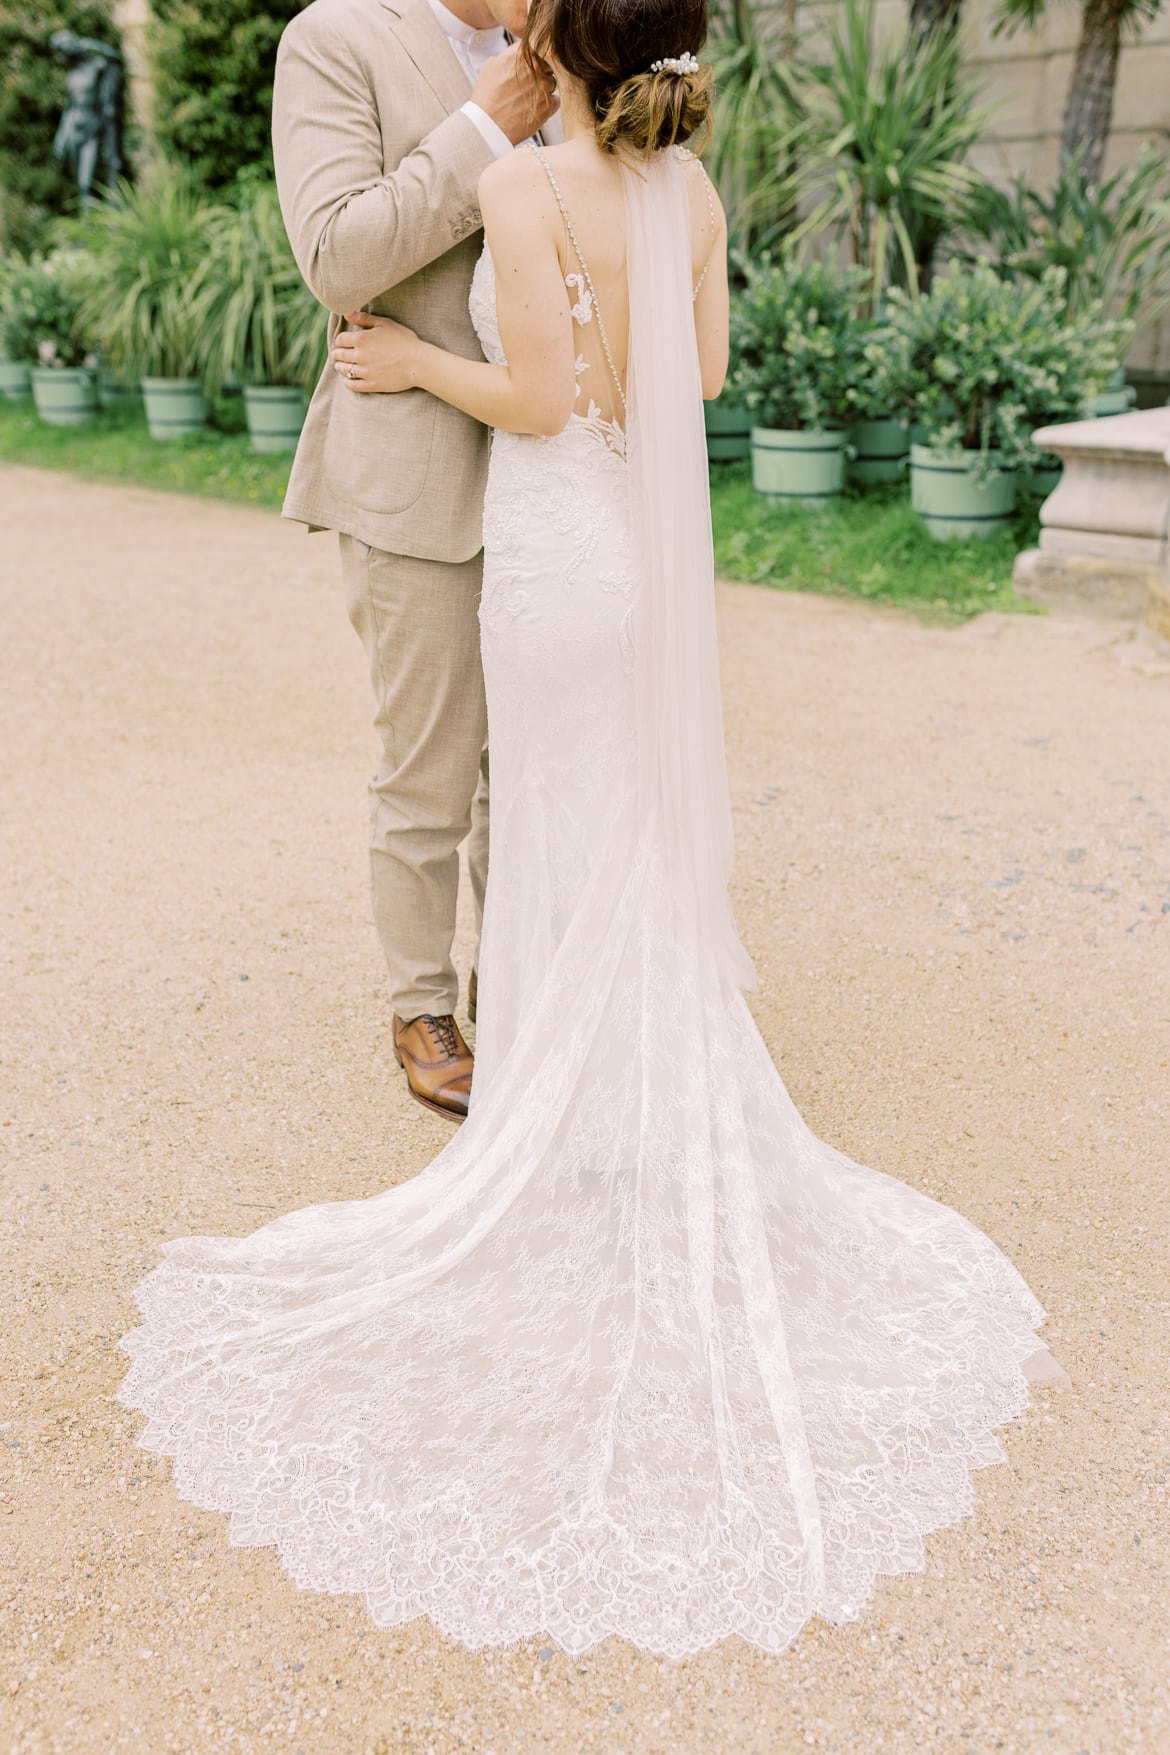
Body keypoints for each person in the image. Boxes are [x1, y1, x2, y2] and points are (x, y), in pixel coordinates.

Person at [120, 0, 1067, 1659]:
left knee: (550, 803)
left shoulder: (560, 172)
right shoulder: (385, 59)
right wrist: (487, 139)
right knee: (465, 782)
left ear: (569, 29)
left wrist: (461, 315)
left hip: (549, 499)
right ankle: (456, 1011)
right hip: (502, 498)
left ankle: (557, 1078)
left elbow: (564, 392)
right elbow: (364, 257)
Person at [272, 0, 558, 1122]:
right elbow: (335, 249)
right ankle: (422, 1002)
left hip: (554, 460)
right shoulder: (334, 38)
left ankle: (522, 974)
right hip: (413, 456)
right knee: (430, 764)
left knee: (535, 761)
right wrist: (483, 128)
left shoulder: (561, 42)